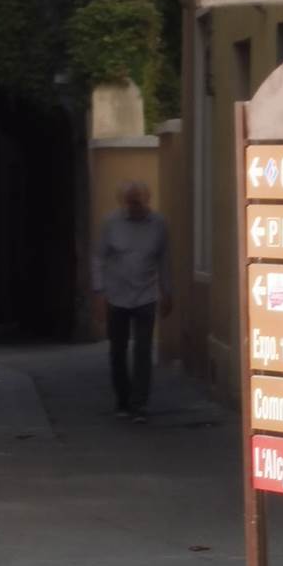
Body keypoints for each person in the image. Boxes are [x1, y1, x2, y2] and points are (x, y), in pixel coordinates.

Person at [91, 180, 171, 422]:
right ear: (123, 203)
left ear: (147, 201)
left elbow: (164, 261)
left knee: (143, 350)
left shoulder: (159, 225)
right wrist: (99, 292)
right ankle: (122, 401)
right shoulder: (111, 223)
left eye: (139, 202)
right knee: (117, 349)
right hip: (117, 296)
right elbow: (99, 259)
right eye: (131, 203)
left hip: (146, 295)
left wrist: (168, 291)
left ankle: (139, 404)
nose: (135, 207)